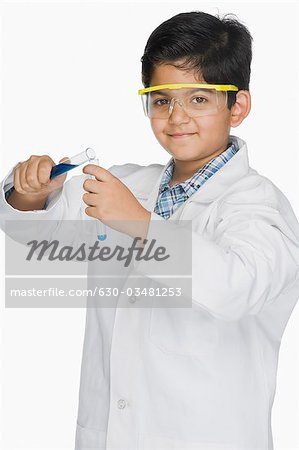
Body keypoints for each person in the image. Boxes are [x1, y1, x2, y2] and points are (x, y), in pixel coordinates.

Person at [1, 10, 299, 450]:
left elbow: (236, 288)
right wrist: (28, 193)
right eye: (162, 100)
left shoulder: (258, 205)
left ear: (238, 107)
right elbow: (39, 231)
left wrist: (138, 223)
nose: (177, 117)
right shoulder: (128, 185)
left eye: (199, 99)